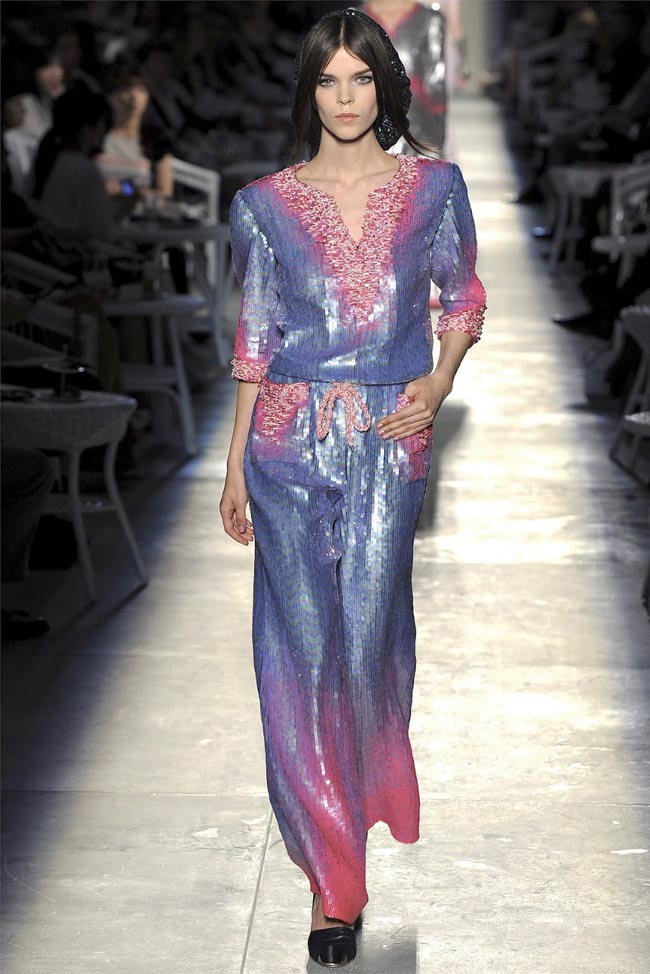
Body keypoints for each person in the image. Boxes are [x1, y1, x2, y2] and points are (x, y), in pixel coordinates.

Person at [219, 8, 485, 968]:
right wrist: (234, 463)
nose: (343, 97)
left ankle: (356, 820)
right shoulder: (263, 205)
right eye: (327, 80)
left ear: (385, 85)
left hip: (388, 437)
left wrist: (439, 382)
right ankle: (333, 882)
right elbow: (256, 337)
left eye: (360, 79)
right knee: (298, 653)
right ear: (310, 90)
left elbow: (461, 296)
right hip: (286, 438)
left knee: (371, 647)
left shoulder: (435, 188)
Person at [362, 0, 447, 155]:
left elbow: (436, 80)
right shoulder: (354, 17)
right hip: (365, 123)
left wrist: (436, 140)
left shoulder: (430, 18)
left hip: (415, 124)